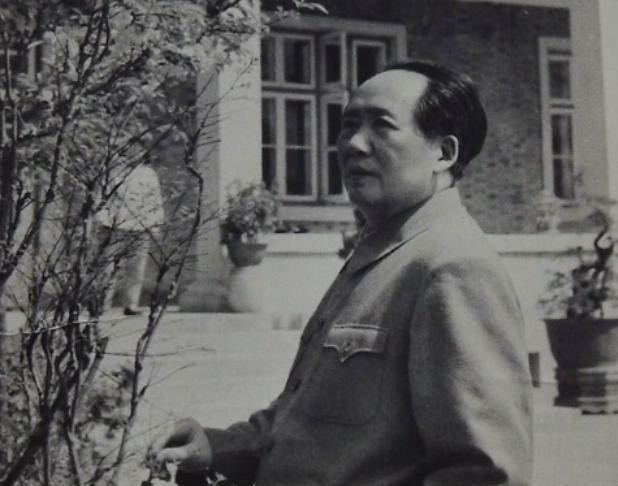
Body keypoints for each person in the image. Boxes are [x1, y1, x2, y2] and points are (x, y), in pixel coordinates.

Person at [148, 60, 533, 485]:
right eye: (348, 125)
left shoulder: (453, 268)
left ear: (443, 153)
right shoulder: (380, 254)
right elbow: (303, 422)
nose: (353, 143)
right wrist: (216, 448)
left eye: (382, 126)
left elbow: (483, 472)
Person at [96, 161, 164, 315]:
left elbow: (155, 201)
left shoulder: (148, 173)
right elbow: (101, 200)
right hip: (114, 225)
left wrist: (154, 224)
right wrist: (103, 221)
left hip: (140, 226)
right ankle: (102, 303)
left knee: (136, 267)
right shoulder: (110, 171)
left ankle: (131, 304)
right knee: (108, 267)